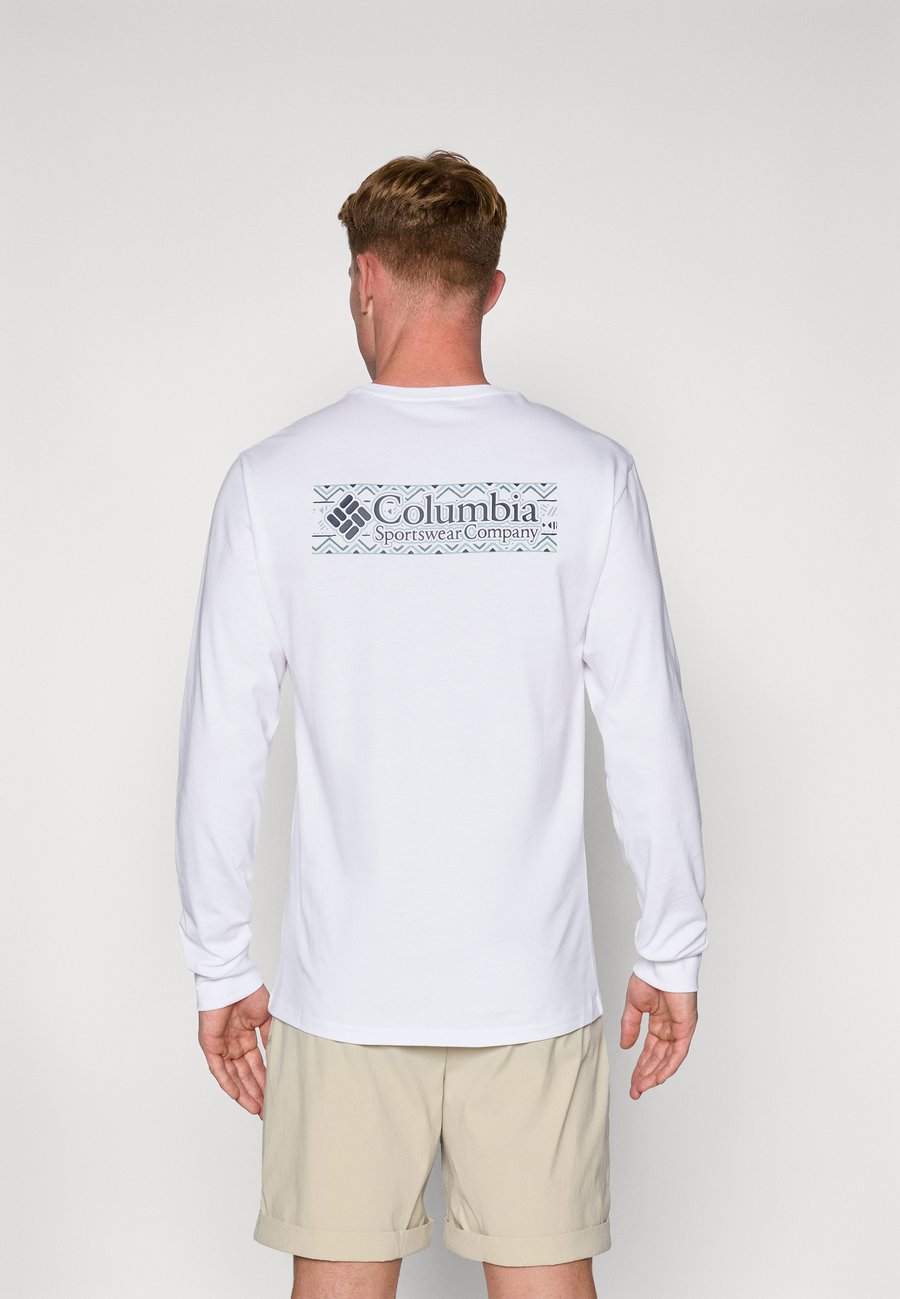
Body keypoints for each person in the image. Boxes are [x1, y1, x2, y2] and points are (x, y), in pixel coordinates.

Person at [174, 148, 709, 1299]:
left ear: (366, 278)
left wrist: (220, 966)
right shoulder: (589, 475)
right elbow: (647, 729)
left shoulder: (275, 482)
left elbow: (223, 740)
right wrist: (671, 945)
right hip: (531, 986)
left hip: (344, 990)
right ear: (492, 288)